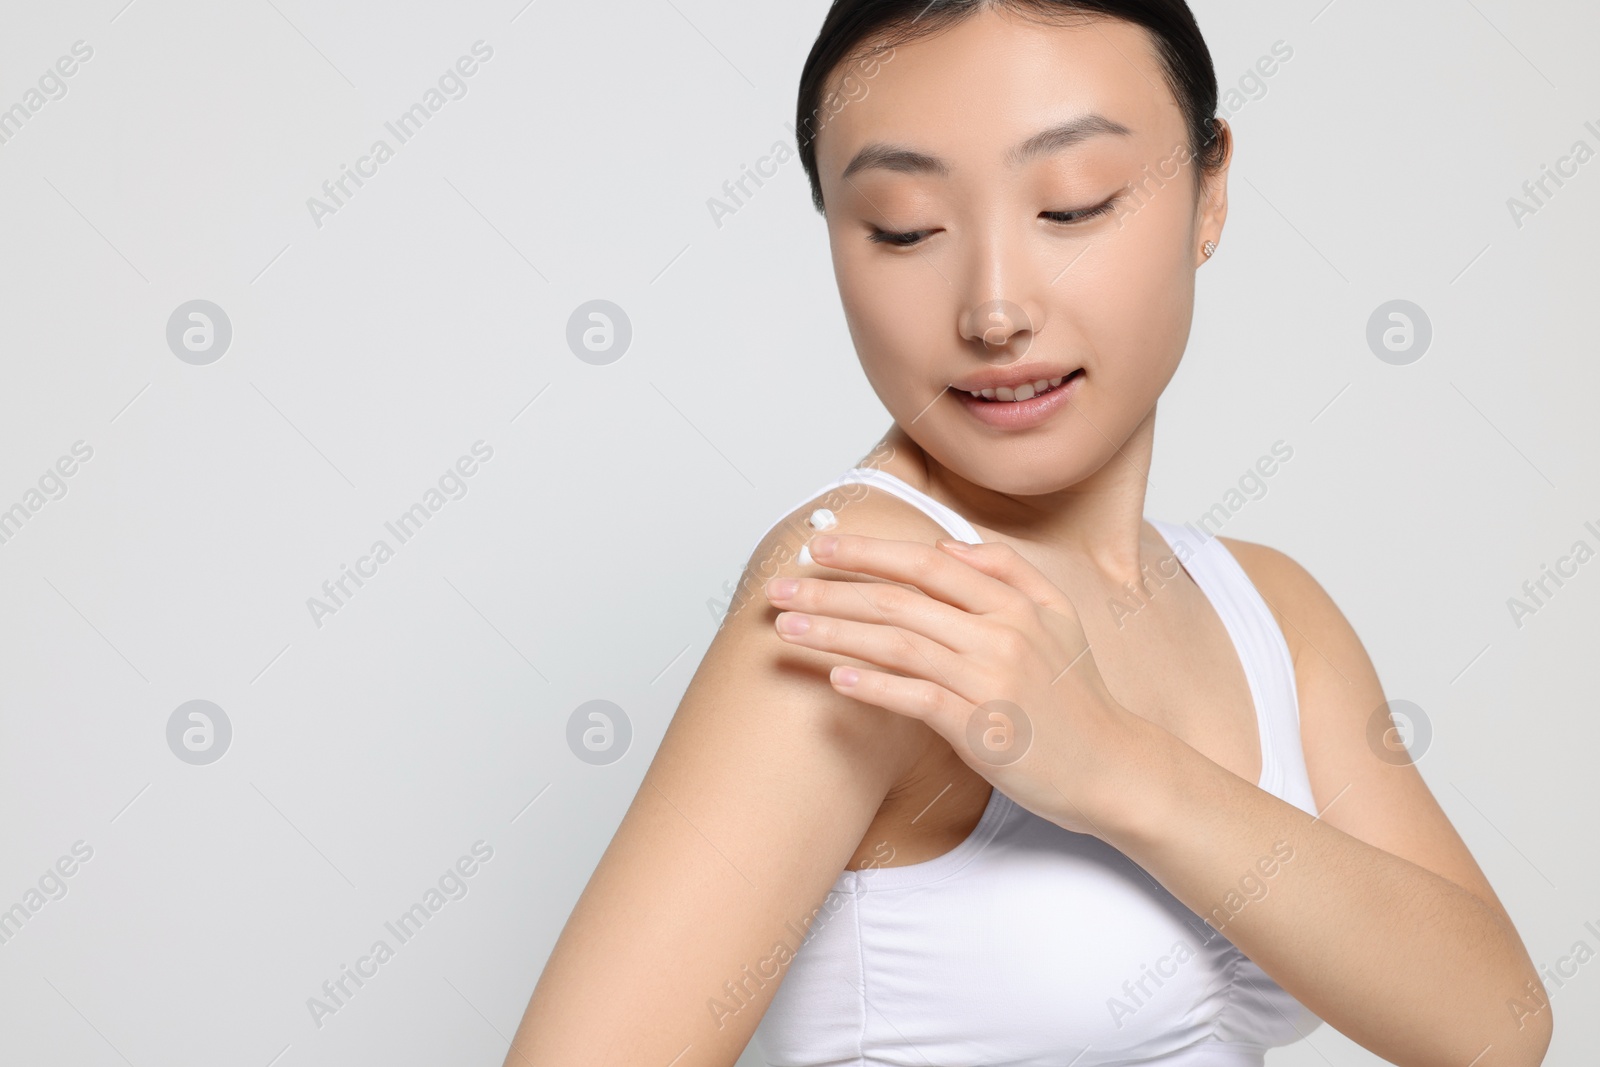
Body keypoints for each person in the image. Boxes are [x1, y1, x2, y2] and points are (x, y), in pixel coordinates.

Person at [502, 3, 1553, 1065]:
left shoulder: (1269, 608)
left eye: (1072, 204)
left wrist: (1114, 767)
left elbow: (1497, 1026)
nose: (993, 310)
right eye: (904, 225)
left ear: (1209, 187)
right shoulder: (868, 593)